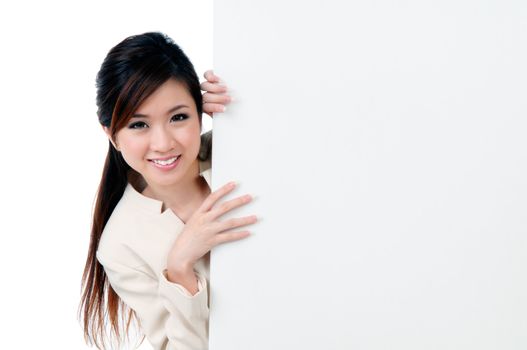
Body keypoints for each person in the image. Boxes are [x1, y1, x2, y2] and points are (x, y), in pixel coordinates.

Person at [78, 31, 258, 350]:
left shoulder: (239, 149)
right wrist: (178, 267)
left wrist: (248, 108)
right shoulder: (121, 245)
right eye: (139, 124)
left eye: (178, 117)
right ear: (110, 133)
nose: (163, 144)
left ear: (200, 111)